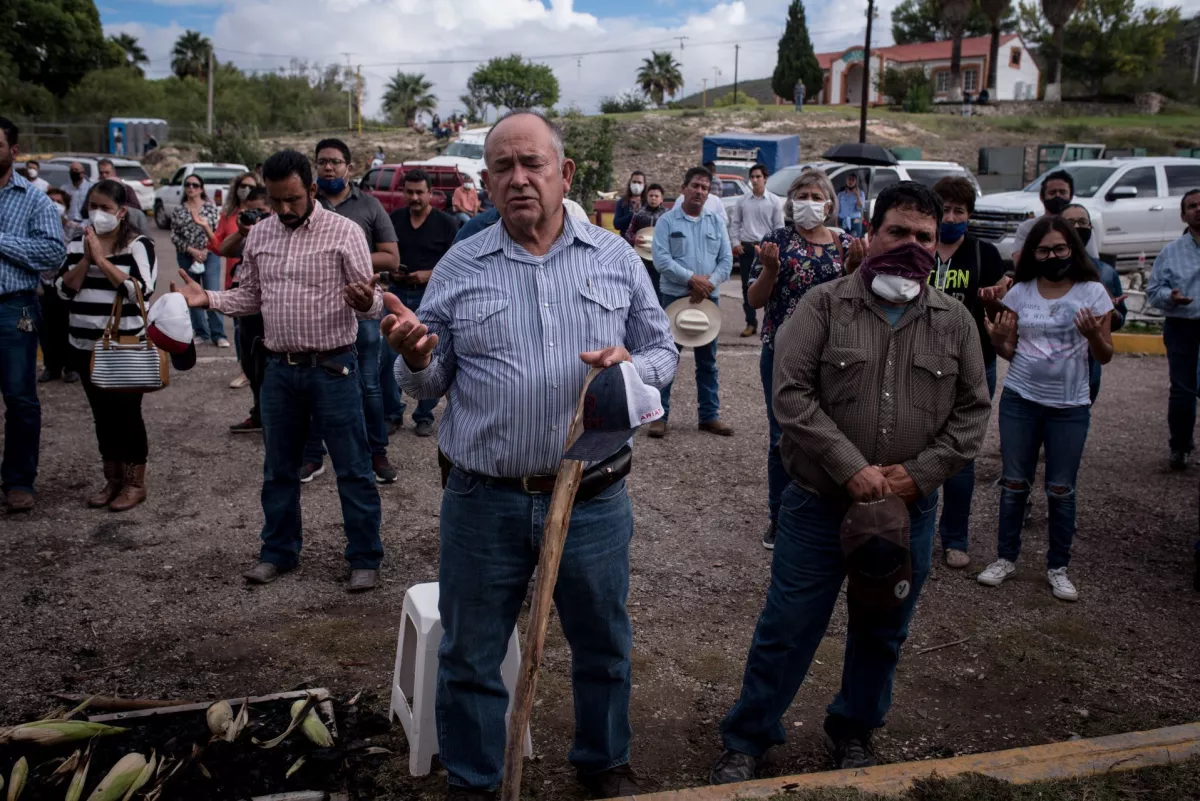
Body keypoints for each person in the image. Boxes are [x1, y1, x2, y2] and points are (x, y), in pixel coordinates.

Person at [384, 109, 677, 801]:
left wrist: (632, 362)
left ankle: (603, 762)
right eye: (503, 168)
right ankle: (476, 780)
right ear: (485, 182)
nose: (519, 179)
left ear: (564, 173)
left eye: (532, 164)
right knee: (470, 655)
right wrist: (413, 358)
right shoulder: (460, 264)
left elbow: (665, 349)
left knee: (602, 643)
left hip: (593, 496)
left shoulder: (613, 257)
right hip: (483, 498)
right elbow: (433, 376)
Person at [709, 182, 990, 784]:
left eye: (923, 236)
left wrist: (919, 476)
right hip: (817, 506)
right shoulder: (822, 306)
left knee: (882, 631)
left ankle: (855, 732)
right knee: (787, 627)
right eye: (898, 232)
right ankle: (747, 737)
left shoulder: (955, 321)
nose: (911, 246)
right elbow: (790, 398)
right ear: (870, 232)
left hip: (905, 515)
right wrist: (851, 467)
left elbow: (972, 415)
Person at [172, 149, 385, 593]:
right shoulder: (261, 235)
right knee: (278, 470)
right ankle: (278, 552)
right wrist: (207, 299)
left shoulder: (344, 232)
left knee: (353, 468)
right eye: (275, 201)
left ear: (311, 190)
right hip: (279, 371)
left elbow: (374, 303)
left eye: (292, 199)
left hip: (333, 367)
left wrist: (367, 303)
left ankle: (365, 557)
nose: (284, 210)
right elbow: (249, 297)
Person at [977, 216, 1114, 602]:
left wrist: (1091, 336)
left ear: (1072, 248)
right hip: (1021, 399)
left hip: (1069, 405)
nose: (1052, 255)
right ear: (1032, 254)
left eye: (1059, 248)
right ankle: (1005, 558)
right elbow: (1009, 349)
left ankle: (1058, 568)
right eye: (1043, 250)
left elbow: (1104, 356)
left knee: (1061, 488)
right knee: (1014, 483)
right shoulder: (1020, 291)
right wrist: (999, 338)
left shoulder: (1092, 292)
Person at [746, 169, 860, 550]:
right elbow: (754, 300)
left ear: (829, 204)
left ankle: (826, 511)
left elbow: (857, 301)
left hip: (832, 356)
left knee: (832, 433)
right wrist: (771, 270)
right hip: (782, 353)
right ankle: (779, 518)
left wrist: (852, 273)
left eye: (816, 195)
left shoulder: (844, 244)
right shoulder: (776, 241)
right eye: (802, 195)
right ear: (791, 201)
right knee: (782, 438)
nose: (808, 202)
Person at [301, 139, 400, 484]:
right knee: (315, 387)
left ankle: (378, 455)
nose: (328, 168)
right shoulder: (306, 207)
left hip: (362, 315)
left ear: (349, 167)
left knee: (369, 387)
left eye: (335, 162)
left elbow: (391, 257)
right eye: (322, 162)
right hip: (318, 315)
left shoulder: (370, 206)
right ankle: (313, 456)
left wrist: (344, 254)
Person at [55, 180, 158, 512]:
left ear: (122, 212)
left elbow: (141, 291)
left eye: (105, 208)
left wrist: (102, 260)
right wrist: (87, 259)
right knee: (102, 416)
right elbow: (62, 290)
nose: (98, 214)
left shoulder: (138, 245)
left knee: (127, 414)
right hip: (83, 344)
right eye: (92, 207)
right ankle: (112, 479)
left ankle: (134, 482)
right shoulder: (75, 244)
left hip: (124, 345)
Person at [929, 176, 1009, 569]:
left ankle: (955, 537)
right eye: (944, 208)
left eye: (959, 210)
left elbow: (999, 316)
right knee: (916, 445)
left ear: (969, 215)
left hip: (975, 365)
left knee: (961, 454)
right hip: (920, 365)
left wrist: (996, 302)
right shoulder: (919, 247)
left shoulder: (984, 254)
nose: (951, 216)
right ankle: (912, 529)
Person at [0, 117, 67, 513]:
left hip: (13, 308)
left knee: (20, 399)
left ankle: (19, 480)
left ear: (14, 151)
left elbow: (51, 254)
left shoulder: (34, 199)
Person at [649, 166, 734, 439]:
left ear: (709, 194)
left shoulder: (715, 222)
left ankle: (709, 416)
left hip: (708, 300)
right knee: (667, 359)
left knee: (707, 362)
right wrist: (691, 280)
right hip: (675, 297)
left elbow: (726, 261)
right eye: (695, 186)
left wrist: (707, 284)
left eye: (705, 188)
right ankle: (659, 416)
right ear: (684, 188)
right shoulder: (667, 221)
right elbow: (661, 260)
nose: (699, 191)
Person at [383, 167, 458, 438]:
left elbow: (457, 261)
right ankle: (392, 413)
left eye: (419, 192)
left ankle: (424, 415)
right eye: (409, 192)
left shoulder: (446, 223)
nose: (414, 197)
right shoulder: (394, 220)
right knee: (389, 355)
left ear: (430, 193)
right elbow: (386, 253)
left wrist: (428, 273)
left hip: (430, 294)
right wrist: (392, 272)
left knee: (428, 353)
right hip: (398, 294)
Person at [1147, 189, 1200, 470]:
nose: (1198, 209)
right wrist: (1171, 297)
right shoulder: (1170, 253)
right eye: (1192, 206)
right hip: (1183, 326)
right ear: (1183, 215)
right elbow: (1153, 292)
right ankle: (1180, 447)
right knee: (1182, 389)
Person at [217, 185, 272, 433]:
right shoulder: (248, 233)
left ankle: (274, 419)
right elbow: (224, 250)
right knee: (251, 368)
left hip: (268, 313)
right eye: (250, 212)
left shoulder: (278, 235)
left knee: (269, 370)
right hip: (245, 311)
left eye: (260, 211)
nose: (255, 217)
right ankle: (259, 415)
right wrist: (242, 232)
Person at [1061, 204, 1127, 403]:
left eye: (1082, 222)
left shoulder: (1105, 272)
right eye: (1070, 222)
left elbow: (1119, 320)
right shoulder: (1046, 269)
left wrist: (1110, 313)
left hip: (1088, 367)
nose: (1077, 227)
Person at [170, 175, 227, 347]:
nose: (191, 188)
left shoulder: (210, 209)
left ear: (201, 189)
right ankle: (201, 332)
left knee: (212, 291)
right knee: (192, 292)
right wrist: (191, 250)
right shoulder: (179, 210)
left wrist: (205, 251)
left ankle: (218, 334)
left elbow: (218, 233)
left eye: (195, 185)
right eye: (188, 185)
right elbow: (174, 235)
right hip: (187, 255)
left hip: (209, 255)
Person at [730, 163, 784, 338]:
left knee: (772, 285)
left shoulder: (774, 201)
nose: (754, 180)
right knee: (748, 286)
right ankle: (750, 322)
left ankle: (773, 322)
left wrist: (777, 247)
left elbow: (779, 227)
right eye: (752, 177)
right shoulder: (742, 201)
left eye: (758, 176)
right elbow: (735, 223)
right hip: (747, 247)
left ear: (765, 178)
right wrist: (735, 242)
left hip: (767, 247)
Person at [38, 187, 82, 386]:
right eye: (51, 200)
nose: (55, 205)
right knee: (47, 328)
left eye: (59, 201)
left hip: (67, 284)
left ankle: (71, 366)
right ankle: (51, 366)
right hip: (44, 284)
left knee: (68, 326)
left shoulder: (75, 228)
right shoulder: (37, 226)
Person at [1012, 170, 1100, 263]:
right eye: (1052, 192)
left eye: (1063, 192)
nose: (1058, 196)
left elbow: (1093, 262)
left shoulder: (1081, 226)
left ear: (1070, 196)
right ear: (1042, 197)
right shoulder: (1027, 227)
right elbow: (1019, 262)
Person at [625, 183, 668, 298]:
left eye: (656, 196)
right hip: (641, 258)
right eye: (651, 195)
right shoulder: (638, 214)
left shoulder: (667, 216)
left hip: (661, 258)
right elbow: (628, 233)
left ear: (661, 199)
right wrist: (634, 239)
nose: (653, 198)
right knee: (641, 289)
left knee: (659, 290)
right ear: (647, 197)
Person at [97, 158, 149, 236]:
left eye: (107, 173)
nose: (104, 175)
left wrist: (117, 208)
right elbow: (85, 210)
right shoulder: (94, 190)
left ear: (114, 173)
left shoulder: (127, 189)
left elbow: (137, 209)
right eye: (101, 173)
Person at [613, 170, 646, 237]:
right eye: (634, 182)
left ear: (644, 185)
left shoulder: (647, 203)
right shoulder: (622, 202)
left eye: (639, 182)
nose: (636, 185)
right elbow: (616, 224)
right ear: (630, 183)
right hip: (626, 242)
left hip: (643, 241)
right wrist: (633, 214)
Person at [836, 173, 866, 237]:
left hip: (855, 220)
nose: (851, 182)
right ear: (846, 180)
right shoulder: (840, 194)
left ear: (856, 182)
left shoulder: (861, 193)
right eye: (849, 179)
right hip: (843, 220)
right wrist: (836, 224)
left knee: (854, 241)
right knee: (843, 241)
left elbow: (860, 208)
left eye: (853, 180)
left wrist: (857, 196)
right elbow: (837, 211)